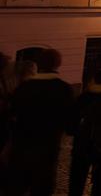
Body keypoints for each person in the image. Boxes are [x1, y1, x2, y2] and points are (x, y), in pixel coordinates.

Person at [6, 48, 74, 196]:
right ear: (58, 64)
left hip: (22, 147)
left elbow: (12, 114)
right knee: (42, 188)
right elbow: (70, 124)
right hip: (47, 149)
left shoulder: (24, 88)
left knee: (17, 186)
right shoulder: (64, 89)